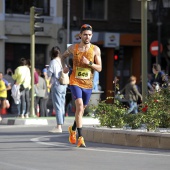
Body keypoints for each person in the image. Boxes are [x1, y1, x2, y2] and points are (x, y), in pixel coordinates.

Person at [62, 24, 102, 147]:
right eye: (85, 35)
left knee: (81, 110)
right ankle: (81, 138)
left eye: (89, 35)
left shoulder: (95, 49)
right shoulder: (73, 48)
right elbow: (63, 56)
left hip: (88, 84)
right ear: (80, 35)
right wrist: (64, 66)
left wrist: (89, 63)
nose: (87, 37)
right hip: (75, 81)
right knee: (79, 106)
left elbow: (99, 68)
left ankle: (72, 129)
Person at [47, 46, 69, 133]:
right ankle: (61, 123)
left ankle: (58, 126)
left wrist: (47, 72)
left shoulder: (53, 62)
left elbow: (49, 75)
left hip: (57, 85)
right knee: (62, 104)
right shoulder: (63, 61)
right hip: (64, 85)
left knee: (57, 105)